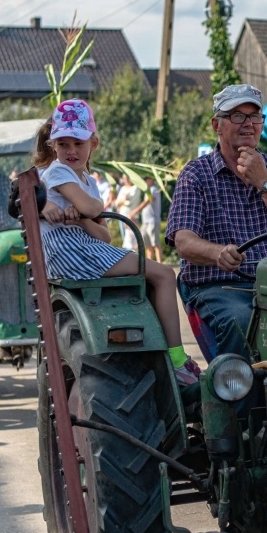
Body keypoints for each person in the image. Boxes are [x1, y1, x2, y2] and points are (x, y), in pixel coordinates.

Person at [37, 99, 199, 385]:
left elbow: (104, 234)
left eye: (78, 142)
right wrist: (88, 211)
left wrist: (81, 220)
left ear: (93, 143)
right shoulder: (58, 171)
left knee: (155, 274)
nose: (71, 151)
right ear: (54, 146)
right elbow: (94, 208)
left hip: (85, 247)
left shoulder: (86, 179)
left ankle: (157, 353)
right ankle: (176, 359)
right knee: (163, 274)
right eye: (63, 144)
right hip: (70, 253)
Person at [166, 84, 267, 360]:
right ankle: (237, 396)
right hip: (220, 287)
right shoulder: (196, 174)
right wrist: (218, 253)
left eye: (254, 116)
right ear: (216, 125)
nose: (248, 124)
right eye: (237, 116)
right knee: (244, 321)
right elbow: (184, 242)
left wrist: (264, 182)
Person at [133, 175, 163, 262]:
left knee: (155, 243)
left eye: (146, 180)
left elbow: (149, 201)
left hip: (153, 221)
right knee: (147, 245)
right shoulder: (148, 191)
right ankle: (150, 263)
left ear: (150, 180)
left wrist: (136, 210)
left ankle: (159, 263)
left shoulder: (154, 189)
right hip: (146, 221)